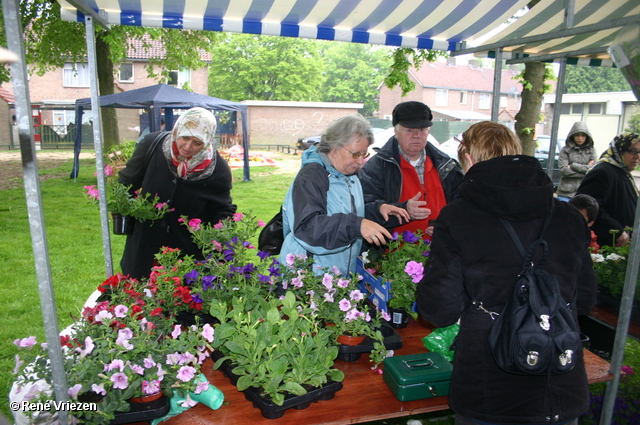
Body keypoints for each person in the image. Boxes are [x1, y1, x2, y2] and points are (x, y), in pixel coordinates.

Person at [416, 121, 597, 425]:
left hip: (490, 386)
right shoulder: (568, 216)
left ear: (469, 158)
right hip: (558, 379)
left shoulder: (459, 217)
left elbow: (438, 308)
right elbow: (586, 299)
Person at [280, 114, 410, 275]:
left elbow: (345, 213)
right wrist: (357, 225)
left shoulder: (349, 174)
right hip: (309, 277)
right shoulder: (312, 176)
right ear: (334, 149)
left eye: (364, 154)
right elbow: (308, 227)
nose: (361, 161)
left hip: (337, 276)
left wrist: (377, 210)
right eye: (355, 154)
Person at [119, 107, 237, 279]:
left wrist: (223, 237)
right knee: (138, 295)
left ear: (208, 141)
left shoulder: (217, 169)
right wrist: (126, 209)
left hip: (187, 252)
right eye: (185, 137)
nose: (187, 147)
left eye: (197, 143)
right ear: (177, 130)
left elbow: (222, 208)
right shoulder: (152, 146)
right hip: (144, 246)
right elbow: (126, 182)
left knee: (177, 299)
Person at [359, 101, 463, 238]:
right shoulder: (376, 168)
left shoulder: (448, 166)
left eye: (421, 130)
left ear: (428, 131)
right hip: (391, 255)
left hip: (441, 252)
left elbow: (462, 207)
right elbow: (363, 210)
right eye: (409, 130)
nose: (416, 135)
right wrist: (404, 209)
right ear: (396, 131)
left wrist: (447, 226)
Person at [576, 132, 640, 248]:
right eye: (632, 151)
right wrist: (617, 231)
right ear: (619, 149)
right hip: (604, 245)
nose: (637, 156)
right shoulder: (603, 172)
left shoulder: (623, 172)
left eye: (639, 152)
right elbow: (587, 207)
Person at [556, 122, 598, 201]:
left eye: (583, 135)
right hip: (565, 193)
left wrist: (573, 166)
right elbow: (563, 170)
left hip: (585, 192)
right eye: (577, 135)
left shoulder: (592, 150)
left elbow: (594, 170)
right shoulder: (565, 150)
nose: (580, 138)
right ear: (572, 136)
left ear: (587, 136)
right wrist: (586, 170)